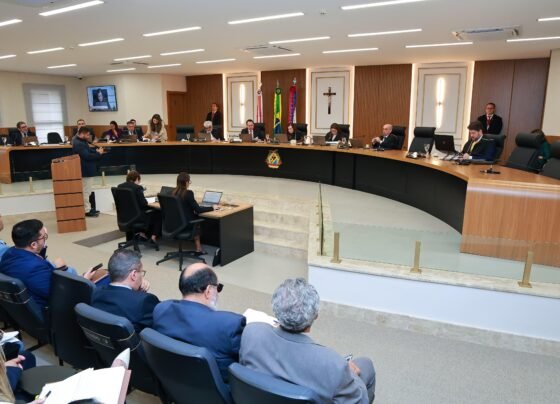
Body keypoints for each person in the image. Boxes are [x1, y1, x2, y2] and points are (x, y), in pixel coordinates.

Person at [240, 278, 376, 403]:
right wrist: (352, 375)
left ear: (275, 307)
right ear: (315, 316)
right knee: (366, 364)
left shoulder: (251, 332)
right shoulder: (333, 364)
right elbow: (359, 400)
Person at [153, 263, 246, 382]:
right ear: (208, 290)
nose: (218, 293)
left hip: (172, 382)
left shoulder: (161, 309)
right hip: (218, 390)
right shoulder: (230, 324)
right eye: (218, 288)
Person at [0, 219, 98, 309]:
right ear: (33, 245)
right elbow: (61, 296)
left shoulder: (8, 254)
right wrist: (84, 282)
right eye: (44, 237)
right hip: (54, 313)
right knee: (101, 281)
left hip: (24, 309)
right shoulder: (34, 268)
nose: (45, 240)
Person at [91, 250, 159, 333]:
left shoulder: (96, 292)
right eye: (141, 272)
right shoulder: (145, 301)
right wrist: (140, 294)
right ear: (134, 274)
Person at [172, 172, 219, 254]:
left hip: (174, 223)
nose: (189, 183)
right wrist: (212, 208)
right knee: (197, 220)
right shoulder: (188, 193)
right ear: (186, 182)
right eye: (189, 181)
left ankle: (199, 247)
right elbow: (198, 210)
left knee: (194, 217)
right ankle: (198, 248)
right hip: (187, 224)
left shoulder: (172, 193)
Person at [117, 170, 161, 242]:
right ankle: (153, 237)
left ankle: (142, 234)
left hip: (124, 217)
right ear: (137, 178)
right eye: (139, 180)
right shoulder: (137, 188)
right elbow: (144, 203)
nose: (139, 182)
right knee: (158, 212)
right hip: (136, 218)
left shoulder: (120, 187)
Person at [72, 127, 105, 217]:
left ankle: (88, 208)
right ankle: (86, 210)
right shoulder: (79, 143)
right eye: (87, 135)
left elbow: (88, 151)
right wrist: (98, 153)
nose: (88, 136)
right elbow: (87, 156)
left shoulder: (81, 141)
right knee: (86, 191)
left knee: (87, 191)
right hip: (85, 170)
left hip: (86, 169)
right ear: (82, 134)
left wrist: (96, 151)